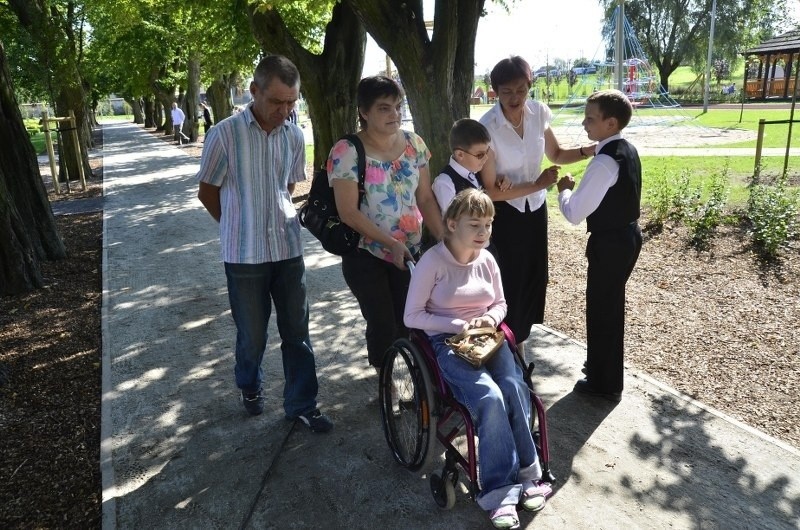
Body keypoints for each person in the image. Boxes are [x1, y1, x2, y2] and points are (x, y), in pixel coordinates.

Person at [196, 55, 332, 433]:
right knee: (252, 335)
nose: (285, 110)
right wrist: (237, 225)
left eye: (292, 102)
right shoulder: (224, 133)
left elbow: (288, 186)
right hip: (244, 255)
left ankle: (302, 402)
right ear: (254, 91)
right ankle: (249, 384)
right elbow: (208, 192)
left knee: (297, 332)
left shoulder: (293, 134)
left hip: (287, 249)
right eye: (276, 101)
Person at [404, 188, 551, 530]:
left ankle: (530, 473)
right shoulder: (433, 262)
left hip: (487, 337)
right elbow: (412, 316)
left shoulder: (487, 259)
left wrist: (490, 319)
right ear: (452, 224)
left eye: (489, 223)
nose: (484, 231)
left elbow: (500, 303)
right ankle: (499, 491)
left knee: (514, 386)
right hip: (446, 341)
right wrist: (456, 323)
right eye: (475, 224)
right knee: (489, 396)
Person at [479, 55, 596, 355]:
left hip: (535, 209)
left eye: (521, 89)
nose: (514, 97)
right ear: (495, 91)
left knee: (534, 275)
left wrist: (590, 150)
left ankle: (519, 339)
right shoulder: (487, 126)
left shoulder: (538, 113)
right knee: (510, 278)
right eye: (506, 91)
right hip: (506, 213)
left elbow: (555, 154)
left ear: (530, 86)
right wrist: (540, 183)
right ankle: (508, 345)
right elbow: (491, 191)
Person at [328, 75, 444, 371]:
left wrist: (447, 240)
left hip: (408, 252)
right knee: (382, 321)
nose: (395, 114)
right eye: (384, 108)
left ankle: (408, 379)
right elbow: (348, 212)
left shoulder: (415, 144)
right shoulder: (347, 151)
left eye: (397, 106)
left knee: (407, 317)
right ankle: (387, 380)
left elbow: (426, 199)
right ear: (364, 112)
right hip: (366, 253)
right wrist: (390, 243)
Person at [556, 89, 643, 402]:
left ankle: (604, 382)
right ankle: (600, 367)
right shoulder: (627, 149)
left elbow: (576, 213)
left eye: (591, 118)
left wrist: (564, 191)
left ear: (611, 123)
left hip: (611, 243)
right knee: (608, 306)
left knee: (603, 310)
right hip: (627, 236)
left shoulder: (605, 161)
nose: (584, 123)